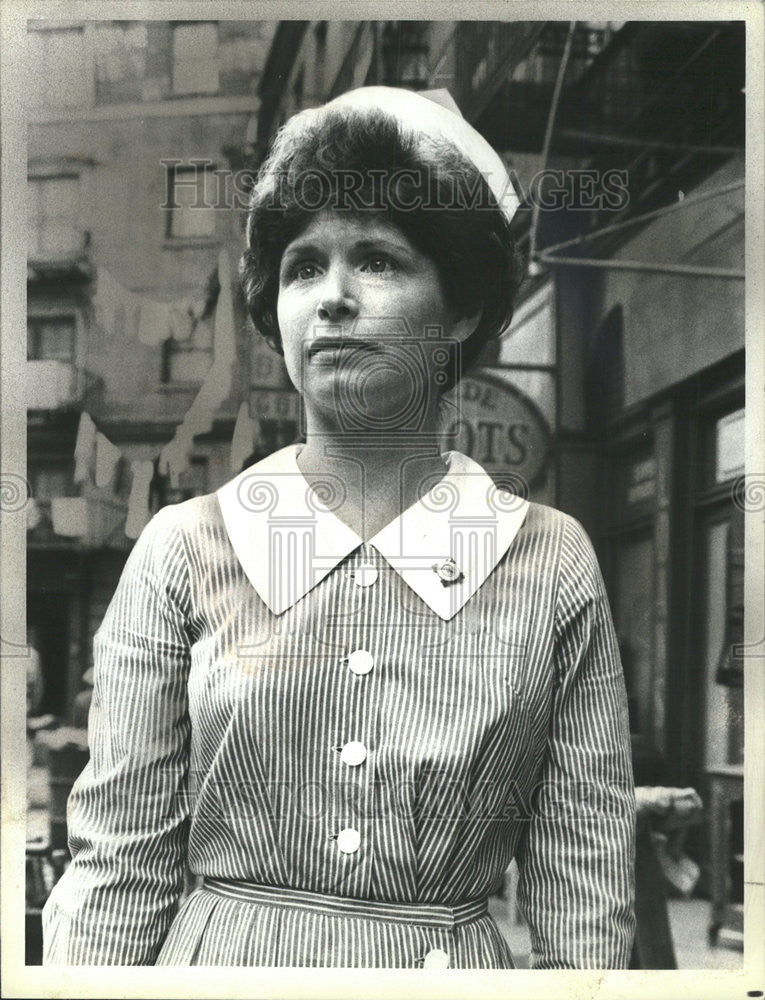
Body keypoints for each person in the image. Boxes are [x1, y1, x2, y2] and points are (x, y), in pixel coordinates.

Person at [42, 86, 635, 969]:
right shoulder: (186, 549)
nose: (333, 298)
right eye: (302, 267)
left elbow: (583, 887)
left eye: (381, 261)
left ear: (462, 308)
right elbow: (117, 870)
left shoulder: (548, 560)